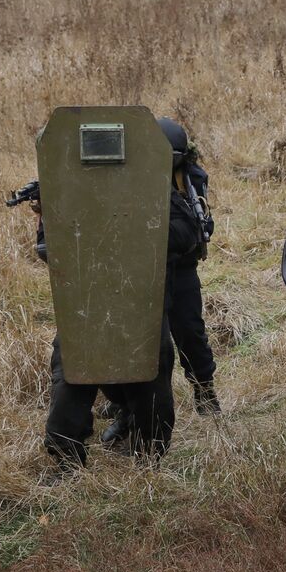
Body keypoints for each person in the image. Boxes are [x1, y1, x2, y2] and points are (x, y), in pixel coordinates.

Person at [40, 151, 204, 474]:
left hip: (140, 302)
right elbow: (48, 249)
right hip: (88, 302)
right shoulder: (69, 193)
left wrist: (134, 229)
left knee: (151, 369)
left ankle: (147, 454)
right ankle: (67, 461)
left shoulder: (151, 190)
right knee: (72, 370)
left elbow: (185, 233)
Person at [102, 117, 219, 448]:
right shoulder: (126, 175)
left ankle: (204, 389)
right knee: (140, 344)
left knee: (190, 333)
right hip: (138, 271)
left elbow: (200, 226)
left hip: (179, 268)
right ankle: (127, 412)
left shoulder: (189, 179)